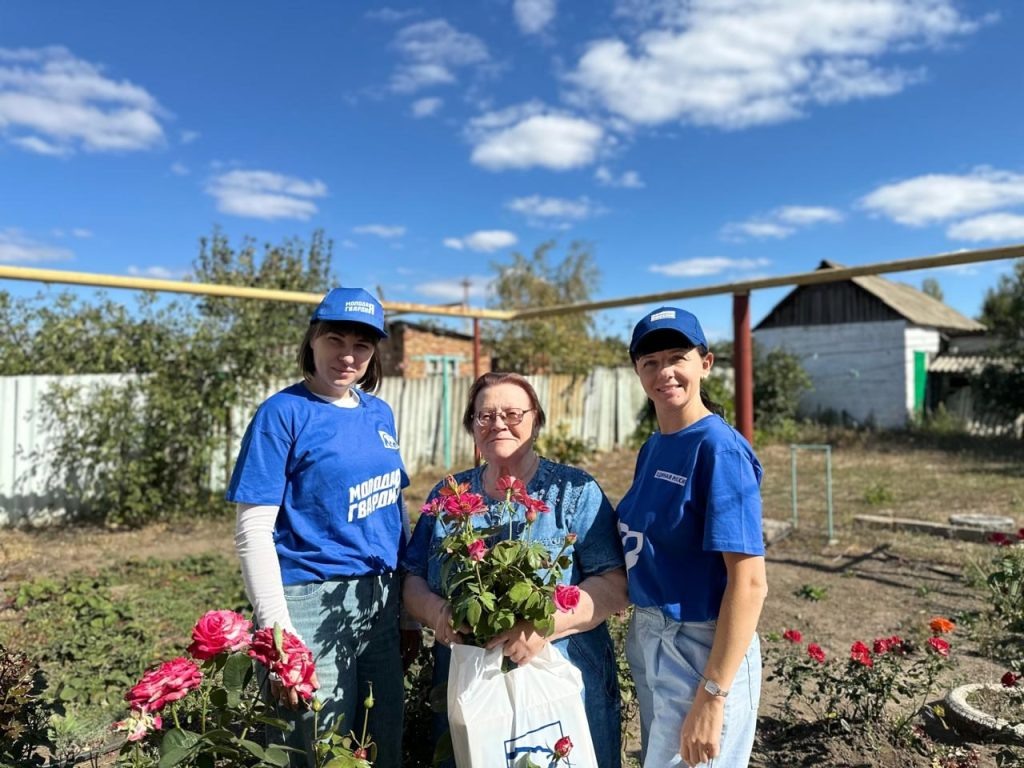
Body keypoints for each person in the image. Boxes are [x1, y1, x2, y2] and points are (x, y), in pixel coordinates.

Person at [226, 287, 413, 768]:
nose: (347, 355)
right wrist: (278, 630)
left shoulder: (379, 412)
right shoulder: (282, 414)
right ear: (312, 340)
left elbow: (394, 508)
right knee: (316, 745)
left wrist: (408, 611)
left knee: (380, 739)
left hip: (380, 598)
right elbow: (253, 531)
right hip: (309, 599)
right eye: (335, 339)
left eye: (362, 345)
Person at [402, 372, 628, 768]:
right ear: (471, 425)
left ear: (536, 420)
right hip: (469, 681)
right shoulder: (449, 495)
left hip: (560, 676)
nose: (498, 423)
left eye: (512, 412)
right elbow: (414, 577)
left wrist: (544, 625)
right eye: (485, 415)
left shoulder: (572, 493)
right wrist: (438, 614)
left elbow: (615, 583)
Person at [617, 306, 768, 768]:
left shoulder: (718, 449)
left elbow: (749, 583)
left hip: (700, 646)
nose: (664, 372)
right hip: (652, 635)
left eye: (676, 356)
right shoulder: (654, 446)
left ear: (706, 362)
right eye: (650, 362)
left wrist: (713, 695)